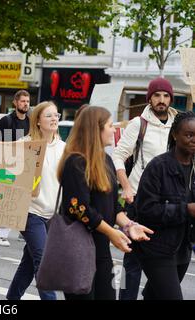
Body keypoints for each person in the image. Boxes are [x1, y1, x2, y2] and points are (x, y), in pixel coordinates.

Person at [57, 106, 153, 300]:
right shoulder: (76, 162)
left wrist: (129, 226)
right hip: (78, 251)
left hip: (101, 251)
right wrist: (112, 233)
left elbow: (113, 206)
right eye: (110, 125)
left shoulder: (106, 160)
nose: (114, 130)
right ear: (96, 129)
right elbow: (80, 209)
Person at [113, 77, 177, 300]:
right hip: (139, 199)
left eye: (166, 95)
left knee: (169, 260)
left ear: (171, 98)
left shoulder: (179, 123)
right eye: (157, 95)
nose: (161, 100)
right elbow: (118, 156)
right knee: (132, 261)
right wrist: (127, 186)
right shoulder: (138, 124)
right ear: (149, 98)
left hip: (171, 202)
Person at [7, 101, 65, 300]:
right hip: (29, 212)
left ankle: (11, 300)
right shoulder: (25, 144)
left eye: (56, 115)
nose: (54, 118)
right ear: (38, 121)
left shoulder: (65, 148)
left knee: (29, 263)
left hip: (53, 215)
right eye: (48, 115)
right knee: (44, 262)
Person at [134, 111, 195, 300]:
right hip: (157, 248)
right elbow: (145, 210)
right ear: (175, 135)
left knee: (154, 296)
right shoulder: (158, 167)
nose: (194, 140)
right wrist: (186, 210)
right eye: (189, 135)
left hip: (183, 247)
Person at [0, 89, 31, 246]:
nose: (25, 104)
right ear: (15, 103)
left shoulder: (30, 122)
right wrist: (18, 145)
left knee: (17, 199)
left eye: (27, 102)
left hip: (24, 166)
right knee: (2, 199)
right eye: (22, 101)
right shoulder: (7, 121)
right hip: (6, 165)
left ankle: (4, 232)